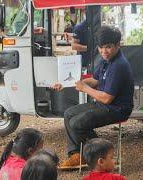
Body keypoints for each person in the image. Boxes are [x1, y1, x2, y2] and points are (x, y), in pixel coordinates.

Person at [52, 26, 134, 169]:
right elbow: (94, 80)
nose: (104, 51)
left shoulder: (119, 65)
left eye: (108, 47)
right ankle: (76, 155)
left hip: (118, 108)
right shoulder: (106, 59)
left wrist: (85, 89)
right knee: (68, 114)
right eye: (101, 48)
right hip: (104, 104)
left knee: (77, 123)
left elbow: (107, 98)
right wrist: (67, 83)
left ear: (117, 45)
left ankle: (102, 150)